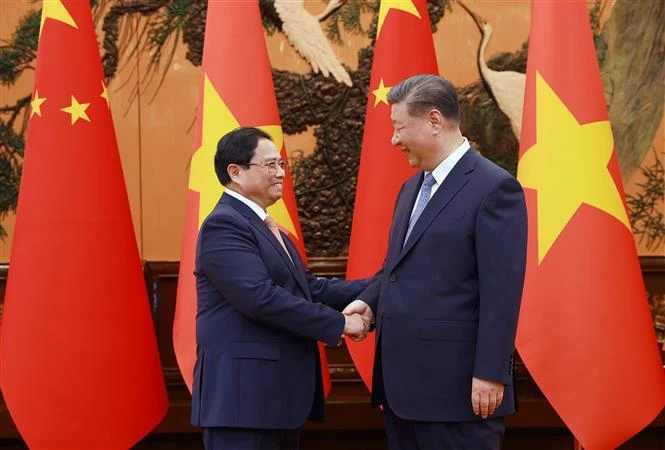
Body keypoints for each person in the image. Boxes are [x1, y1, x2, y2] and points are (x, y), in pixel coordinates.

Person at [344, 74, 528, 449]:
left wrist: (491, 373)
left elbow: (502, 291)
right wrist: (369, 301)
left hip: (460, 392)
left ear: (433, 120)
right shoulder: (411, 188)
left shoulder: (494, 187)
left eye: (399, 128)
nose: (393, 140)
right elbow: (396, 269)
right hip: (403, 392)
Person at [191, 127, 371, 450]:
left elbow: (311, 289)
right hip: (243, 405)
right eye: (270, 165)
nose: (280, 174)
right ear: (236, 171)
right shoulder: (224, 225)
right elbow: (260, 298)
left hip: (275, 402)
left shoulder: (266, 226)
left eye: (282, 165)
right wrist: (340, 323)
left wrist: (383, 285)